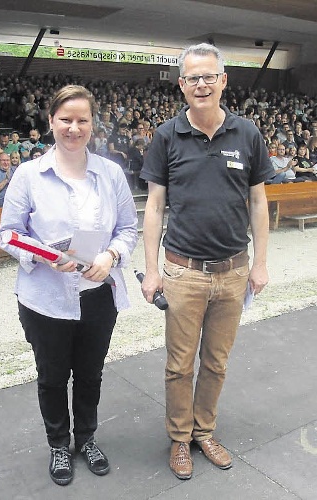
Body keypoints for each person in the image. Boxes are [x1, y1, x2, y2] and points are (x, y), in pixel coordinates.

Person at [140, 43, 274, 480]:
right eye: (192, 77)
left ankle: (204, 430)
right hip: (183, 272)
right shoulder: (166, 135)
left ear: (223, 81)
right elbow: (155, 207)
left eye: (208, 76)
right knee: (179, 364)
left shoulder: (248, 134)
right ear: (181, 85)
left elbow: (258, 201)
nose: (201, 84)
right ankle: (180, 438)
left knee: (216, 362)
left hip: (233, 272)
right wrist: (153, 269)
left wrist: (260, 264)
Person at [0, 85, 138, 487]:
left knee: (90, 374)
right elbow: (8, 233)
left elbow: (127, 228)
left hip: (97, 296)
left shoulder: (110, 174)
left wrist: (110, 257)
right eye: (65, 120)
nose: (73, 128)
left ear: (93, 124)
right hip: (45, 298)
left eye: (82, 120)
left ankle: (87, 438)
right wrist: (44, 255)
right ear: (51, 122)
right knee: (53, 376)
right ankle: (59, 443)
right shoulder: (29, 175)